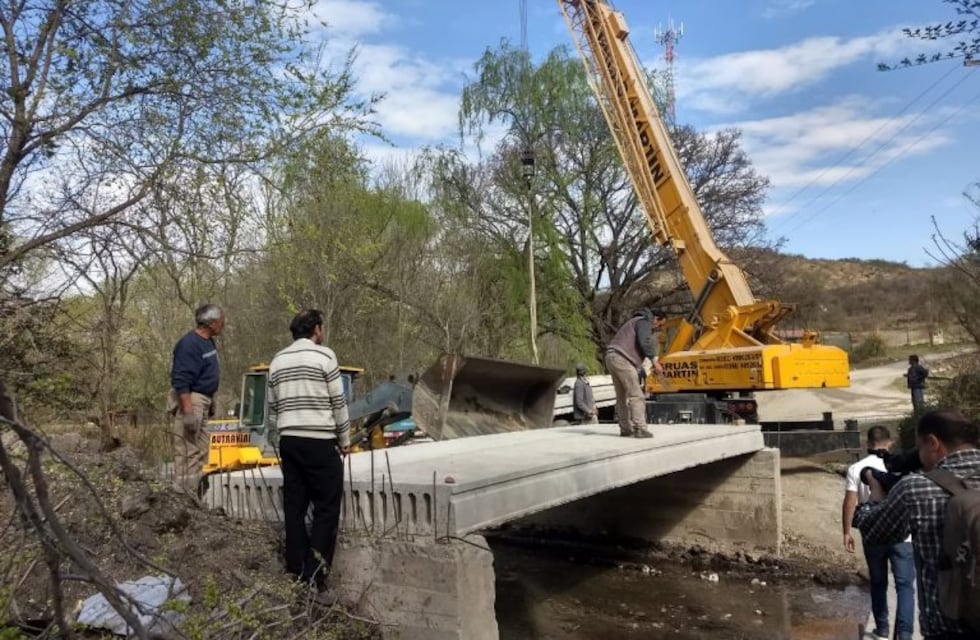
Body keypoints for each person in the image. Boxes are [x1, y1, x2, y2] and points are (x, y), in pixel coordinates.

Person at [854, 409, 980, 640]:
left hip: (948, 631)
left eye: (919, 448)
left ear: (933, 443)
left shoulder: (917, 488)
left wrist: (875, 492)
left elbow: (871, 532)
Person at [267, 309, 350, 603]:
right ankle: (315, 573)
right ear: (316, 329)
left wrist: (279, 439)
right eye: (322, 326)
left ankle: (296, 567)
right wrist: (345, 439)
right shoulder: (325, 357)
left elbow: (273, 408)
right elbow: (338, 402)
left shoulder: (277, 361)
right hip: (319, 441)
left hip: (290, 441)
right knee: (327, 507)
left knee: (295, 506)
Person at [842, 426, 915, 640]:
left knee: (878, 582)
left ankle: (881, 630)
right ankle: (904, 634)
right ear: (890, 442)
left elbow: (849, 503)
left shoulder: (856, 468)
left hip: (872, 533)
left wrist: (847, 532)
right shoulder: (899, 467)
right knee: (904, 586)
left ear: (867, 443)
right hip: (902, 534)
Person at [168, 303, 224, 494]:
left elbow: (207, 374)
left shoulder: (208, 342)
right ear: (211, 323)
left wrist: (212, 401)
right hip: (192, 400)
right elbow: (181, 379)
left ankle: (195, 494)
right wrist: (188, 411)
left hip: (204, 400)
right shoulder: (189, 344)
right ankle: (183, 494)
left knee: (201, 451)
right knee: (188, 450)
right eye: (220, 321)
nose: (222, 324)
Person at [603, 307, 666, 438]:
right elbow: (645, 342)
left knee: (621, 397)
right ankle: (640, 428)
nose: (657, 328)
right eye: (659, 325)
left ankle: (625, 428)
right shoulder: (643, 322)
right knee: (636, 395)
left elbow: (639, 345)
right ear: (655, 319)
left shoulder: (634, 322)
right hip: (622, 358)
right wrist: (655, 361)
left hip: (611, 356)